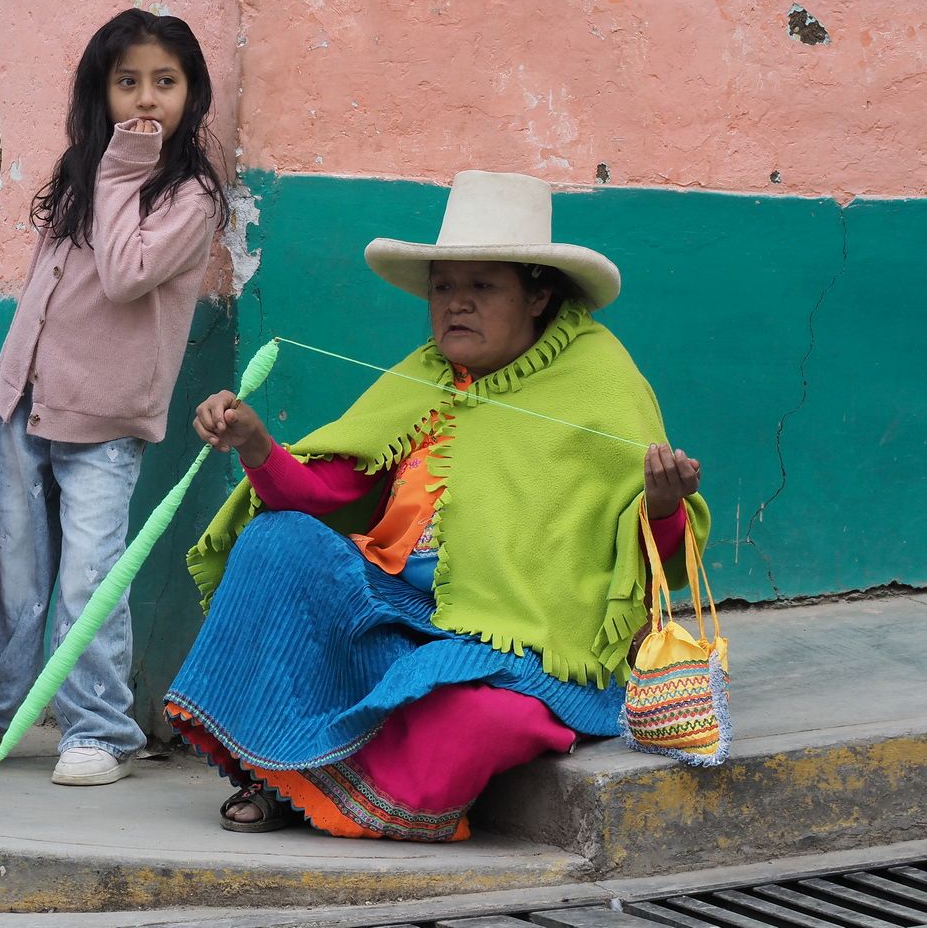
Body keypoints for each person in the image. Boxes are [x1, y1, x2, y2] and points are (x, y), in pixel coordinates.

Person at [166, 170, 709, 835]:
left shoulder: (602, 384)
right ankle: (283, 774)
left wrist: (662, 505)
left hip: (520, 646)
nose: (457, 305)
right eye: (444, 287)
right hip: (398, 612)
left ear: (539, 295)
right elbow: (325, 493)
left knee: (478, 720)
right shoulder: (424, 374)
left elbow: (653, 568)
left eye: (483, 286)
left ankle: (313, 782)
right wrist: (256, 445)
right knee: (276, 541)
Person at [0, 9, 230, 786]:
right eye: (127, 81)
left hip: (106, 422)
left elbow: (127, 275)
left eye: (165, 82)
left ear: (191, 94)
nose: (146, 98)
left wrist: (126, 167)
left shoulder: (189, 196)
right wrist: (4, 390)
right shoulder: (83, 173)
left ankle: (99, 728)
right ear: (100, 91)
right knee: (17, 573)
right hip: (28, 405)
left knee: (89, 580)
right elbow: (45, 287)